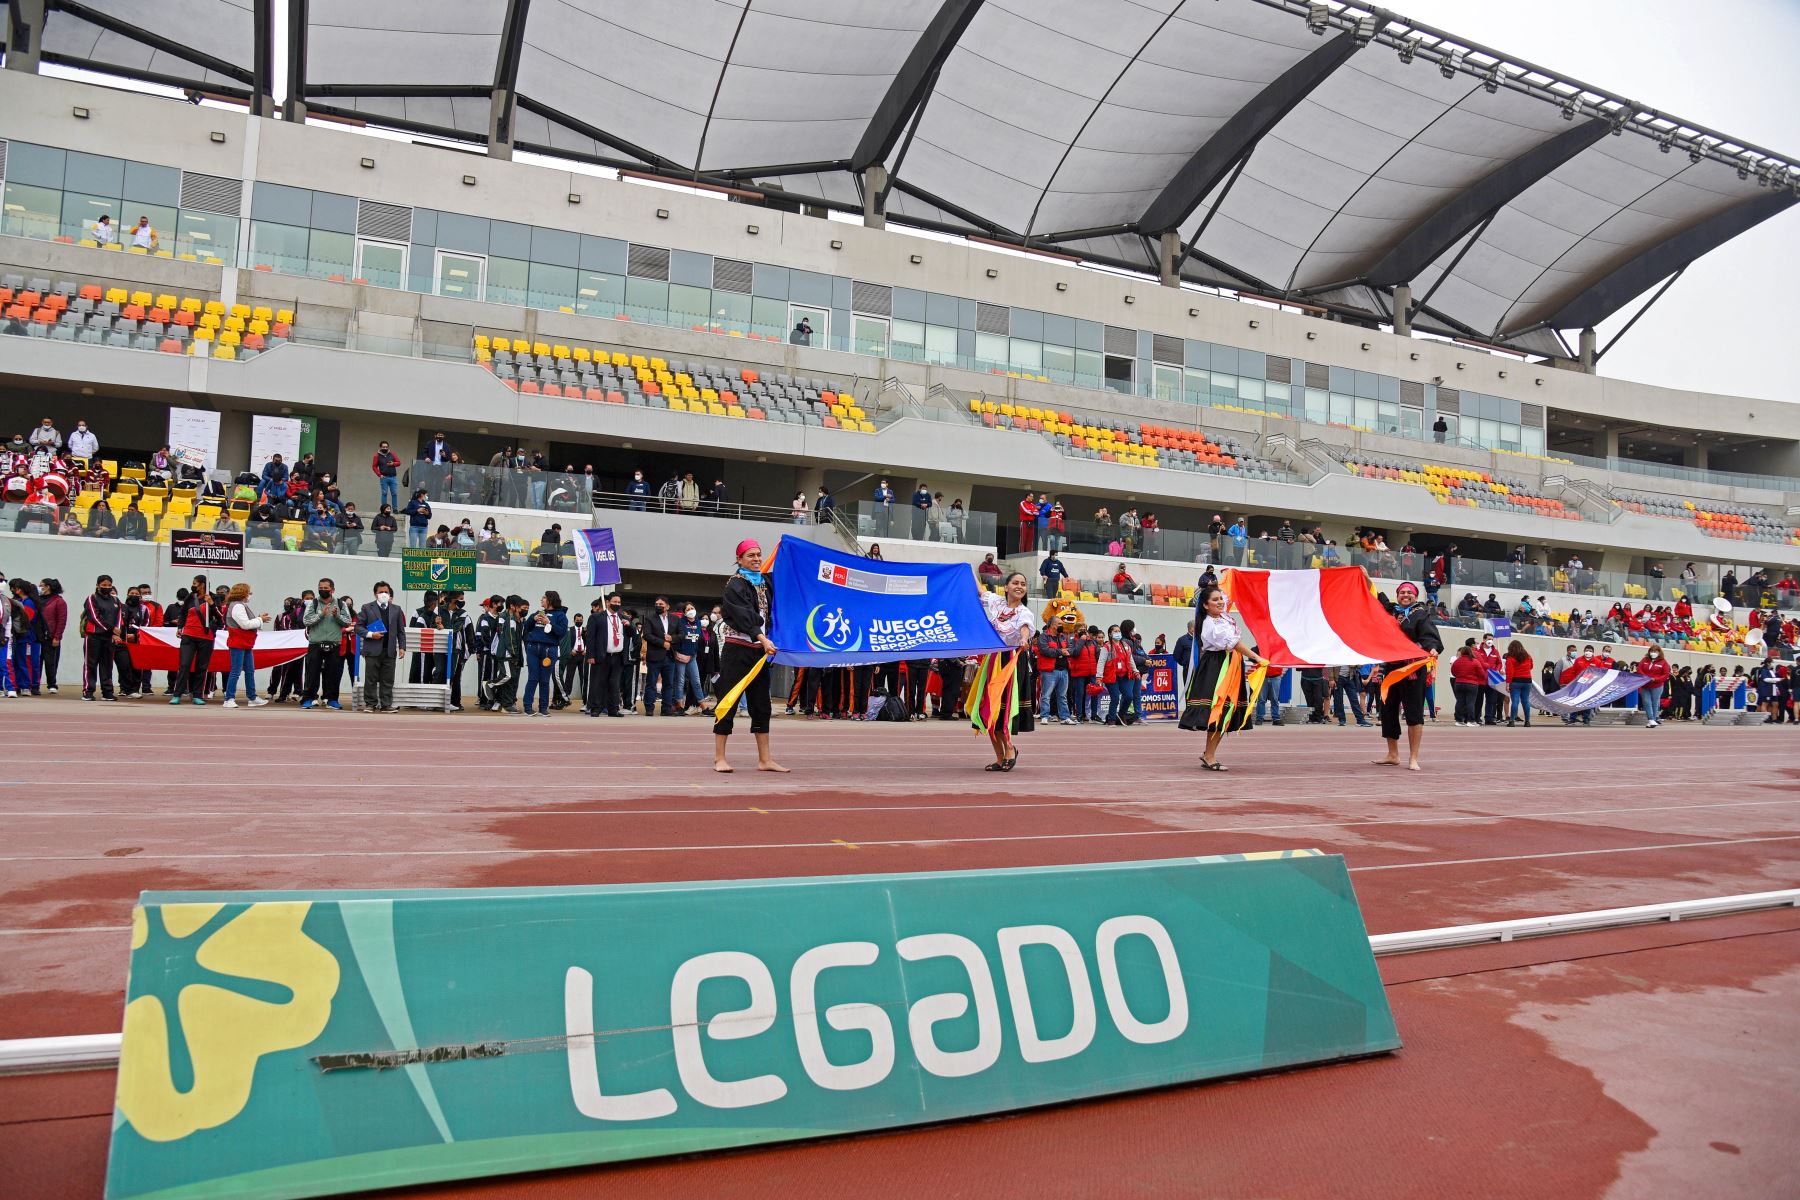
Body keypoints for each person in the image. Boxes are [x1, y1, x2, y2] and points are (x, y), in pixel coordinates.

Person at [1178, 583, 1271, 770]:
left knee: (1224, 711)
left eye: (1221, 599)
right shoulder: (1209, 623)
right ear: (1205, 605)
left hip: (1229, 665)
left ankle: (1208, 754)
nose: (1220, 602)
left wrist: (1233, 579)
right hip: (1217, 667)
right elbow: (1234, 643)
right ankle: (1210, 755)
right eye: (1215, 600)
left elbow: (1228, 595)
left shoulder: (1223, 618)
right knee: (1218, 709)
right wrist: (1256, 657)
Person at [713, 540, 787, 773]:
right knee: (728, 701)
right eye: (751, 555)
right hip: (737, 650)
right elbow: (743, 616)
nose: (756, 559)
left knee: (761, 704)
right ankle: (719, 758)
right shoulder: (735, 585)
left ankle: (765, 759)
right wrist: (763, 639)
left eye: (759, 555)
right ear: (740, 559)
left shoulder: (765, 582)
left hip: (759, 653)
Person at [967, 571, 1035, 771]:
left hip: (1012, 660)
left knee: (1001, 708)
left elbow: (1024, 628)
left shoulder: (1025, 612)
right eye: (1015, 582)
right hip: (993, 658)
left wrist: (1024, 639)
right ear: (1006, 587)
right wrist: (967, 568)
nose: (1019, 586)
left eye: (1023, 584)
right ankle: (999, 757)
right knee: (988, 709)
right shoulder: (997, 602)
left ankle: (1010, 750)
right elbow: (980, 591)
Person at [1373, 581, 1441, 772]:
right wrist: (1366, 577)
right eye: (1402, 592)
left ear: (1415, 596)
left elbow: (1429, 636)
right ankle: (1393, 754)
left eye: (1409, 592)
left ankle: (1413, 758)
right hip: (1392, 669)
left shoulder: (1421, 614)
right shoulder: (1392, 611)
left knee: (1414, 713)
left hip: (1412, 670)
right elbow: (1378, 597)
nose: (1405, 595)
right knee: (1387, 711)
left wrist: (1433, 648)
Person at [301, 579, 354, 710]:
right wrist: (321, 614)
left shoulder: (341, 604)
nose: (323, 590)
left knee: (333, 673)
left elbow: (348, 622)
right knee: (311, 673)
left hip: (334, 644)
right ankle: (308, 698)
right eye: (320, 587)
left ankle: (332, 700)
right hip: (315, 643)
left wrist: (337, 616)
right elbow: (306, 621)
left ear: (332, 590)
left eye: (326, 588)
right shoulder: (313, 603)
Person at [171, 576, 220, 705]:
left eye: (195, 584)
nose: (193, 586)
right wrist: (180, 627)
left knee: (201, 667)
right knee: (184, 664)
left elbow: (220, 618)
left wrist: (212, 604)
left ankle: (198, 695)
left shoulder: (213, 598)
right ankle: (177, 694)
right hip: (189, 635)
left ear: (202, 585)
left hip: (206, 636)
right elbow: (183, 613)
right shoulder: (190, 597)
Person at [357, 583, 405, 713]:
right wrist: (371, 634)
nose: (384, 594)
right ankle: (370, 704)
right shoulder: (367, 608)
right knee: (371, 679)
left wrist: (402, 647)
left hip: (389, 650)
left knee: (388, 679)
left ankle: (386, 704)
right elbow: (358, 627)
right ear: (375, 594)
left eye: (386, 591)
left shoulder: (396, 609)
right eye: (381, 591)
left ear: (390, 594)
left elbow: (401, 631)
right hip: (372, 649)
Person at [221, 583, 270, 708]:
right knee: (236, 671)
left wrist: (259, 619)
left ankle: (252, 697)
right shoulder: (237, 606)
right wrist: (260, 620)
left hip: (244, 642)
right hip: (238, 642)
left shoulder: (238, 605)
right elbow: (245, 624)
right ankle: (229, 698)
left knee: (249, 670)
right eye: (249, 592)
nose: (250, 595)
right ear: (243, 593)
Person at [522, 590, 568, 717]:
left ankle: (543, 707)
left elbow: (562, 632)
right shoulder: (538, 613)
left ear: (550, 600)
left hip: (549, 650)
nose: (541, 600)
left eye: (544, 598)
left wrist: (549, 623)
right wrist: (533, 618)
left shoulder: (560, 615)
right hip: (533, 648)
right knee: (533, 678)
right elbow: (526, 627)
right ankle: (527, 706)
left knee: (544, 680)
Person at [584, 592, 627, 717]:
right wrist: (590, 655)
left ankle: (613, 709)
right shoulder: (597, 617)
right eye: (614, 602)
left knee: (614, 684)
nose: (617, 604)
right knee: (598, 683)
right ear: (608, 603)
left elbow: (630, 634)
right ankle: (596, 708)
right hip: (602, 656)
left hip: (618, 656)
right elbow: (590, 638)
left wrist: (629, 626)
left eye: (619, 602)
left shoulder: (622, 618)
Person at [80, 575, 122, 701]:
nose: (107, 588)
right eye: (104, 585)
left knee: (107, 665)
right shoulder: (92, 598)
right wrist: (111, 628)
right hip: (94, 636)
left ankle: (107, 692)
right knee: (90, 664)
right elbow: (94, 617)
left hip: (109, 638)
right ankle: (88, 691)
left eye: (109, 585)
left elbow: (119, 618)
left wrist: (116, 632)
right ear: (97, 585)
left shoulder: (116, 601)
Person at [642, 597, 676, 715]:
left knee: (668, 684)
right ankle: (649, 708)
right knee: (651, 683)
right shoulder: (650, 619)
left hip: (670, 656)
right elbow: (647, 635)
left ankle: (666, 709)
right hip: (654, 656)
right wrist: (662, 643)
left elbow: (681, 634)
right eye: (656, 604)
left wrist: (672, 638)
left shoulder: (675, 619)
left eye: (661, 604)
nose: (658, 606)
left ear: (667, 606)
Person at [1638, 645, 1670, 728]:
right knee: (1646, 702)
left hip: (1657, 685)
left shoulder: (1663, 662)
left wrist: (1655, 679)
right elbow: (1639, 669)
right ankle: (1651, 719)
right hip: (1645, 684)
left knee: (1655, 703)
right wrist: (1645, 677)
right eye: (1651, 651)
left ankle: (1654, 719)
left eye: (1655, 651)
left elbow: (1666, 674)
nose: (1653, 653)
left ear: (1659, 652)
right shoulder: (1645, 659)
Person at [1504, 640, 1534, 727]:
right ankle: (1527, 722)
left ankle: (1512, 721)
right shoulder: (1528, 656)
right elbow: (1531, 666)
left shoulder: (1510, 658)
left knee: (1515, 701)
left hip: (1516, 681)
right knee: (1525, 701)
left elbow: (1510, 672)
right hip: (1527, 680)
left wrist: (1507, 684)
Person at [371, 441, 401, 511]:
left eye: (386, 447)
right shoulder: (377, 456)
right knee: (384, 493)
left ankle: (395, 509)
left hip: (393, 477)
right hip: (384, 477)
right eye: (383, 447)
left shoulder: (392, 454)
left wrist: (393, 463)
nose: (385, 448)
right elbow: (374, 466)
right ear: (380, 447)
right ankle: (384, 509)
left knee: (394, 493)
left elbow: (399, 463)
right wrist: (379, 474)